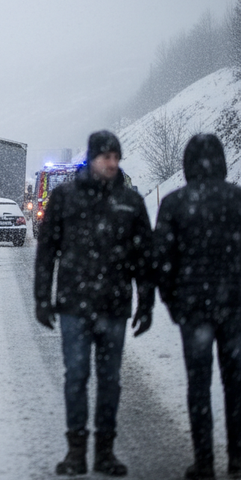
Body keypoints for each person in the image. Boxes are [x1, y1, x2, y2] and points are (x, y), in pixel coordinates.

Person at [34, 130, 155, 477]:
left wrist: (146, 303)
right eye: (107, 158)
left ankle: (104, 452)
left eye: (117, 158)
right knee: (76, 376)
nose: (113, 164)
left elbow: (143, 257)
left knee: (109, 379)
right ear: (92, 159)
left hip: (114, 305)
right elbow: (46, 254)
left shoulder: (130, 202)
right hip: (74, 304)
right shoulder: (64, 198)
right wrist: (42, 299)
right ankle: (76, 451)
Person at [153, 133, 241, 480]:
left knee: (198, 384)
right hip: (235, 308)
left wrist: (174, 304)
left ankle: (204, 462)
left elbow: (162, 262)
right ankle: (237, 459)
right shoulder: (238, 199)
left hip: (194, 311)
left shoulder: (174, 204)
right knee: (235, 384)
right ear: (221, 160)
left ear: (187, 163)